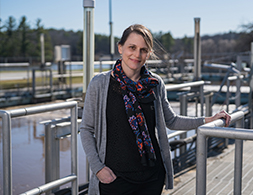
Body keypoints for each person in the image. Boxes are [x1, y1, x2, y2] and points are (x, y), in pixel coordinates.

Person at [80, 24, 231, 195]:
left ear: (149, 54)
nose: (137, 54)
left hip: (151, 179)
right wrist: (98, 168)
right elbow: (86, 129)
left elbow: (171, 120)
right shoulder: (100, 84)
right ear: (120, 48)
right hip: (114, 180)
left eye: (143, 50)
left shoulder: (155, 84)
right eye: (132, 47)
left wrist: (207, 120)